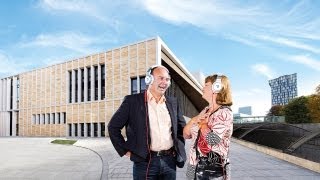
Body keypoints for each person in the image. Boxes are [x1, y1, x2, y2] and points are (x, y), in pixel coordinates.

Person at [108, 65, 187, 180]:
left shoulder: (173, 102)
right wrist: (125, 150)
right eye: (161, 78)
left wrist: (178, 148)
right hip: (145, 162)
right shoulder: (132, 101)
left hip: (170, 161)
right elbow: (113, 127)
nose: (164, 82)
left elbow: (181, 128)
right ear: (149, 79)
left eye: (167, 79)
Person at [183, 74, 233, 180]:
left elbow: (213, 140)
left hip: (213, 168)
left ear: (217, 87)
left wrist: (203, 125)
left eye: (206, 85)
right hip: (194, 165)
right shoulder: (205, 110)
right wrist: (193, 120)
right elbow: (186, 135)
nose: (202, 88)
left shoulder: (224, 113)